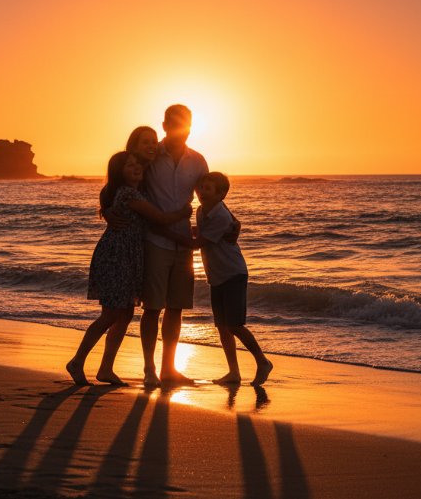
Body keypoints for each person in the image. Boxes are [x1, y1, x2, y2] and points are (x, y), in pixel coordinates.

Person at [66, 151, 191, 386]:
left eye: (137, 164)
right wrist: (184, 213)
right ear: (119, 172)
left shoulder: (134, 192)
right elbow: (160, 219)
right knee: (111, 314)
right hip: (116, 256)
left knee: (125, 314)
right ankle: (77, 361)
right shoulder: (128, 193)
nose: (136, 168)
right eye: (129, 166)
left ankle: (106, 368)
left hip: (129, 256)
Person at [139, 105, 209, 386]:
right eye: (174, 122)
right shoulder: (150, 156)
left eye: (185, 123)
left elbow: (208, 200)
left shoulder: (198, 161)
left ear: (191, 126)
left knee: (176, 308)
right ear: (165, 125)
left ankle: (169, 368)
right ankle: (148, 369)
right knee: (152, 308)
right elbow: (130, 186)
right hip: (155, 241)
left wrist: (226, 225)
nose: (180, 128)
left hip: (183, 243)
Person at [193, 172, 272, 386]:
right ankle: (233, 372)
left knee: (235, 325)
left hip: (233, 274)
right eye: (200, 188)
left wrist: (168, 234)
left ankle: (262, 361)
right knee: (222, 327)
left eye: (208, 189)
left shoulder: (220, 215)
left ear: (221, 194)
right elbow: (200, 232)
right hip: (216, 277)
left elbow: (199, 242)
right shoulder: (201, 211)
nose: (202, 192)